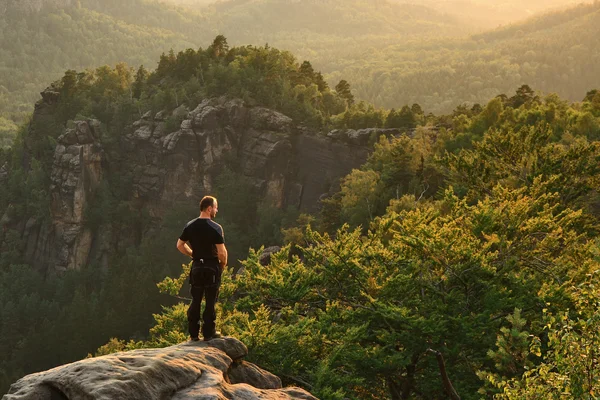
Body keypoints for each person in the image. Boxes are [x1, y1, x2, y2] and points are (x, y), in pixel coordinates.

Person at [176, 195, 228, 341]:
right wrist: (222, 265)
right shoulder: (216, 228)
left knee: (196, 299)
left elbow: (179, 245)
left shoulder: (190, 225)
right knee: (210, 301)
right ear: (209, 208)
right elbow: (222, 252)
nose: (217, 210)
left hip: (197, 266)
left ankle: (193, 334)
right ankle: (208, 333)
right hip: (212, 266)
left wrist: (192, 254)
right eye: (216, 207)